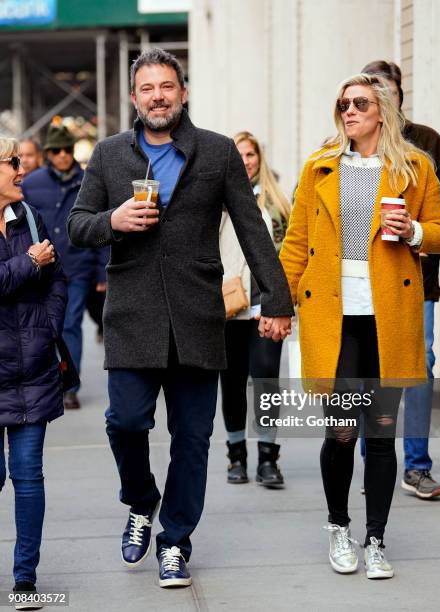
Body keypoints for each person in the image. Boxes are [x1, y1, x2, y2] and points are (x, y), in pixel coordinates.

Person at [67, 48, 292, 589]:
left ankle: (175, 541)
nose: (158, 96)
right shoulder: (109, 154)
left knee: (192, 439)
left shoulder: (216, 153)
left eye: (167, 86)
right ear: (133, 97)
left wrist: (277, 299)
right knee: (124, 423)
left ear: (183, 92)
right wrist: (114, 220)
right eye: (147, 88)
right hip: (132, 315)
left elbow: (251, 229)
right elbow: (78, 225)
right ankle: (142, 501)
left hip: (197, 315)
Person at [279, 73, 440, 579]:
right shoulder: (320, 167)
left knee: (380, 434)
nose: (349, 111)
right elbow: (296, 242)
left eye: (360, 104)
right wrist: (281, 306)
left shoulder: (415, 167)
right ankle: (338, 528)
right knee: (340, 434)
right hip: (335, 317)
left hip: (389, 316)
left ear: (382, 112)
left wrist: (414, 230)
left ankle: (376, 539)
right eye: (343, 104)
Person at [361, 60, 440, 499]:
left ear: (399, 97)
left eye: (388, 91)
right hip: (366, 281)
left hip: (418, 277)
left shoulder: (426, 144)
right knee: (371, 368)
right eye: (370, 94)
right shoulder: (352, 148)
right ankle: (373, 460)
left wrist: (423, 236)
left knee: (419, 365)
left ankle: (417, 467)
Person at [0, 137, 67, 607]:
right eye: (12, 164)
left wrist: (48, 325)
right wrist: (27, 262)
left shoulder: (28, 217)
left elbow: (58, 278)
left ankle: (26, 580)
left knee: (28, 478)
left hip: (32, 368)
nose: (22, 170)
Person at [220, 131, 291, 487]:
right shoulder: (217, 199)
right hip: (228, 305)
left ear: (259, 159)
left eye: (251, 154)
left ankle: (267, 458)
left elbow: (289, 252)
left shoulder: (275, 203)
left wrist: (285, 300)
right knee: (231, 383)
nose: (245, 160)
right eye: (239, 154)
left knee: (265, 381)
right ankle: (236, 456)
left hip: (265, 305)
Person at [22, 125, 108, 410]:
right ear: (48, 154)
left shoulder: (88, 181)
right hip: (41, 267)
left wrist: (101, 271)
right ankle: (45, 381)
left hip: (77, 267)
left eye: (67, 150)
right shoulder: (32, 184)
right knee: (44, 325)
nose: (62, 156)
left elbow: (99, 227)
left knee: (71, 324)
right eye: (56, 151)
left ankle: (71, 387)